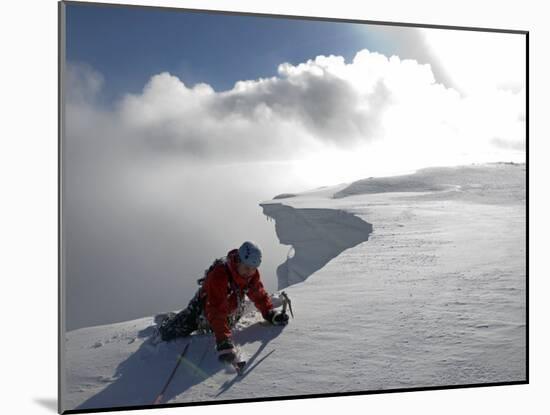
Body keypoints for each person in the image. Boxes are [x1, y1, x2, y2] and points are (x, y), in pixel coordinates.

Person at [158, 241, 289, 363]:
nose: (250, 272)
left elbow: (258, 294)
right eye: (247, 267)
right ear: (238, 261)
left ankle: (218, 329)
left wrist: (270, 314)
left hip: (231, 310)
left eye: (253, 268)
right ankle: (166, 322)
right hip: (202, 309)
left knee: (214, 328)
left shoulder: (250, 274)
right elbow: (215, 309)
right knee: (168, 333)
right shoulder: (219, 275)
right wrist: (223, 341)